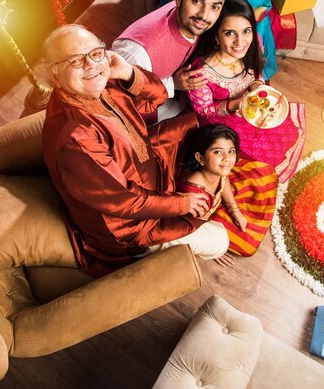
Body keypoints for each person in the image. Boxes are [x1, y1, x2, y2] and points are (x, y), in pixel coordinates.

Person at [41, 24, 229, 277]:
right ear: (54, 74)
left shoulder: (101, 83)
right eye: (75, 60)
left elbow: (158, 96)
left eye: (95, 53)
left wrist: (128, 72)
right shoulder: (76, 139)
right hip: (128, 225)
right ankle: (155, 253)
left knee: (197, 124)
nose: (90, 65)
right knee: (220, 241)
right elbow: (124, 201)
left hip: (142, 168)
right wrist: (181, 204)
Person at [186, 0, 306, 183]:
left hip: (252, 105)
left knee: (280, 130)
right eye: (229, 33)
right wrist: (235, 105)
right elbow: (204, 111)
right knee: (257, 160)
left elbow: (256, 73)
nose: (240, 42)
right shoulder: (201, 73)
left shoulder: (254, 41)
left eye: (246, 31)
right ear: (216, 36)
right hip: (224, 120)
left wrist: (256, 85)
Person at [112, 0, 230, 122]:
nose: (204, 15)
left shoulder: (193, 20)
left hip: (178, 97)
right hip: (142, 115)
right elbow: (118, 103)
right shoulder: (138, 53)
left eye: (214, 7)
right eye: (196, 1)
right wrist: (172, 84)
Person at [178, 123, 278, 266]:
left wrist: (235, 210)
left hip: (215, 203)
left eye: (231, 151)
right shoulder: (195, 194)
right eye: (218, 152)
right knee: (247, 245)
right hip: (199, 221)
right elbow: (188, 229)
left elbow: (223, 179)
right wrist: (209, 248)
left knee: (265, 172)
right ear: (200, 158)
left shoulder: (217, 170)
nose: (227, 158)